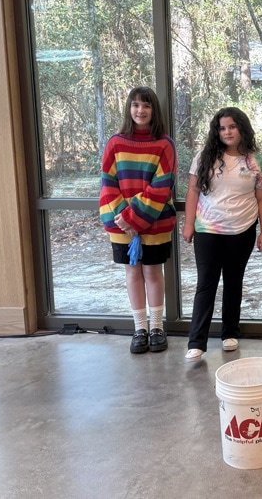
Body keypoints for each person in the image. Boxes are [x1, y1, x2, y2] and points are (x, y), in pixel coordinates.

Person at [182, 107, 262, 361]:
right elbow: (193, 191)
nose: (227, 132)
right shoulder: (204, 157)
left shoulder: (257, 161)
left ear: (242, 128)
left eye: (232, 127)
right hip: (207, 230)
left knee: (234, 282)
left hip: (242, 230)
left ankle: (230, 333)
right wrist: (188, 224)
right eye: (222, 128)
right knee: (206, 283)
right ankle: (196, 342)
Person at [100, 86, 177, 354]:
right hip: (121, 224)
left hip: (155, 222)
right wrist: (125, 219)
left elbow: (162, 186)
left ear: (154, 110)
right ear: (128, 109)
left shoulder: (164, 144)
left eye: (146, 105)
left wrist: (133, 219)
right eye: (135, 105)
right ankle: (140, 328)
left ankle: (156, 327)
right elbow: (108, 183)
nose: (140, 110)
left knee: (153, 272)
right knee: (132, 272)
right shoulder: (115, 143)